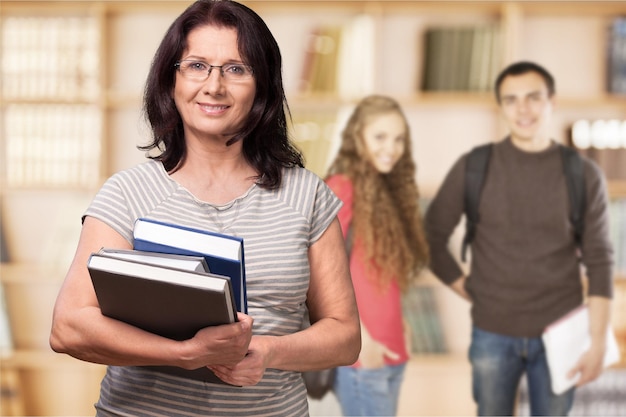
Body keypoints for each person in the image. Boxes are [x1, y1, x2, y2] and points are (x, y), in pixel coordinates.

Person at [49, 1, 361, 415]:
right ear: (171, 80)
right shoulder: (127, 193)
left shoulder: (308, 196)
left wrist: (265, 351)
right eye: (197, 65)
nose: (213, 86)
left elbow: (345, 336)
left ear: (262, 87)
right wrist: (184, 352)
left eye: (236, 69)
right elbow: (68, 327)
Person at [424, 61, 614, 416]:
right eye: (511, 100)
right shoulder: (474, 166)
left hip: (561, 334)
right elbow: (430, 237)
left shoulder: (583, 174)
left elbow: (601, 261)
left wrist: (599, 342)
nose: (522, 109)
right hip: (492, 333)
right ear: (502, 107)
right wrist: (470, 288)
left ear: (552, 101)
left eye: (533, 97)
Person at [324, 95, 430, 416]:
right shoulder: (341, 187)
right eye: (380, 137)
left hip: (393, 350)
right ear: (359, 138)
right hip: (362, 354)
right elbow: (323, 274)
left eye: (399, 139)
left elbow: (380, 276)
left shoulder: (389, 192)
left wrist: (403, 325)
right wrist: (363, 339)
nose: (391, 148)